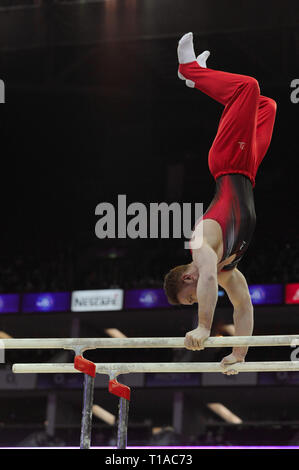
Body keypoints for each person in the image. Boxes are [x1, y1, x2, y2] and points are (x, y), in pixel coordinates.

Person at [163, 33, 277, 374]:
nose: (197, 298)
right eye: (194, 305)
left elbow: (209, 280)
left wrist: (203, 326)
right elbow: (243, 306)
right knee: (267, 106)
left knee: (247, 89)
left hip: (228, 163)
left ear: (186, 278)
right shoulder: (227, 269)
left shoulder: (201, 248)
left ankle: (191, 70)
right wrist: (238, 354)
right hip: (249, 170)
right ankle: (201, 75)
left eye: (191, 297)